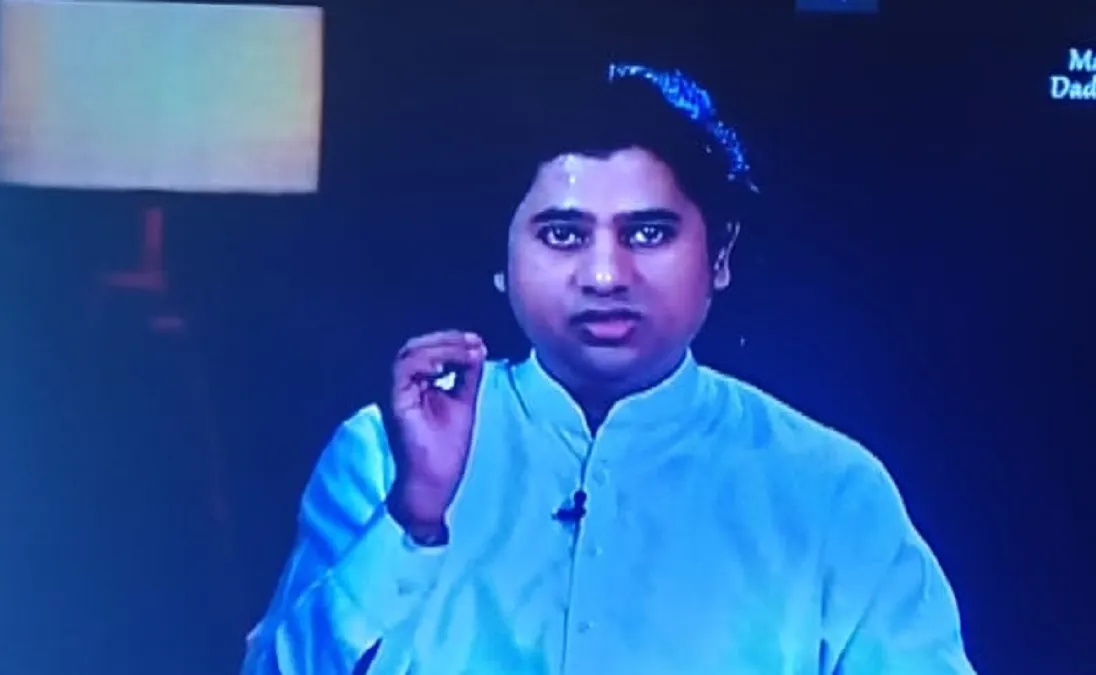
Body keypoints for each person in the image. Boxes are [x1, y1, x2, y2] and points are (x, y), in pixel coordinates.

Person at [240, 62, 975, 675]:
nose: (604, 276)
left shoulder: (828, 488)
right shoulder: (382, 456)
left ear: (720, 255)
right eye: (563, 234)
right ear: (501, 259)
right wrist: (414, 520)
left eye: (647, 233)